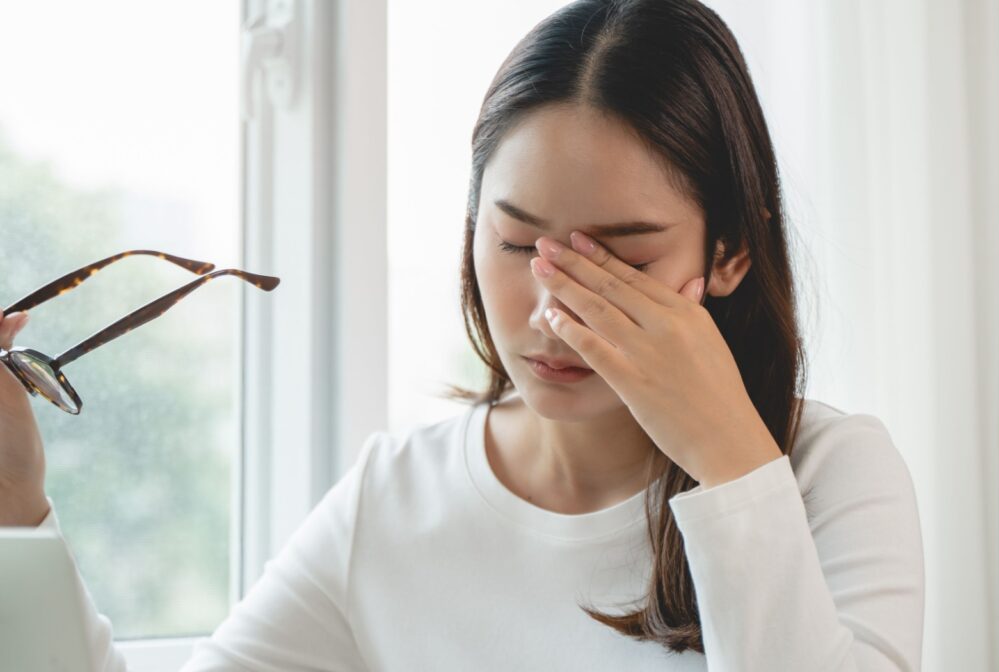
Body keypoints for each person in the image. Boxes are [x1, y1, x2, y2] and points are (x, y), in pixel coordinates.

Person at [0, 0, 925, 669]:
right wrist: (17, 509)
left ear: (728, 254)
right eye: (518, 241)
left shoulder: (831, 477)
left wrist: (729, 461)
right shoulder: (396, 499)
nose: (551, 305)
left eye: (620, 263)